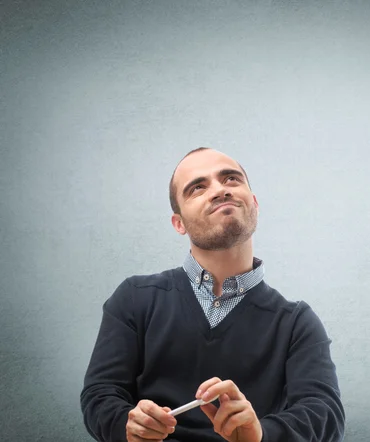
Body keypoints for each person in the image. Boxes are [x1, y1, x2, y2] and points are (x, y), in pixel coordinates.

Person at [80, 147, 345, 442]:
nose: (220, 190)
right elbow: (99, 395)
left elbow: (326, 416)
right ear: (178, 223)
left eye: (231, 179)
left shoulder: (297, 323)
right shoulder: (134, 298)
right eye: (197, 187)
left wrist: (260, 436)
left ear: (254, 204)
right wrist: (126, 426)